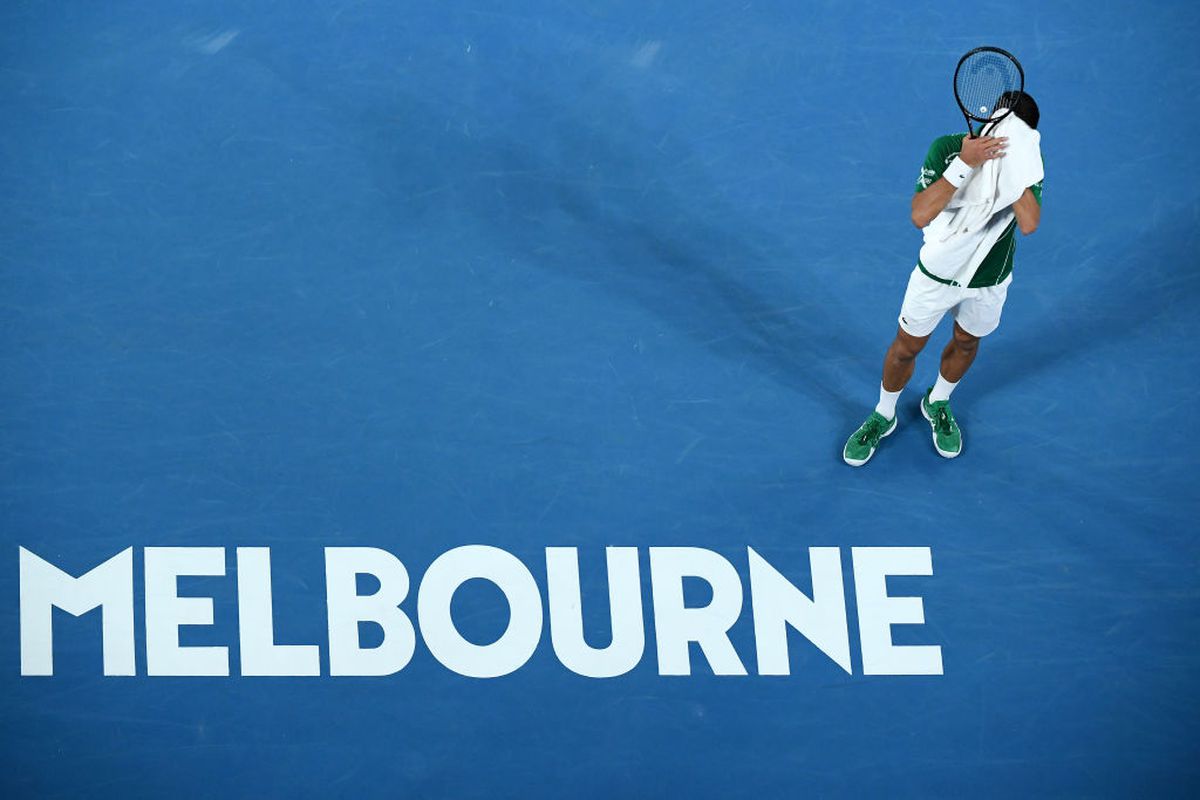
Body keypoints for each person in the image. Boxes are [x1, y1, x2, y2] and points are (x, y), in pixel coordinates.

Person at [843, 91, 1042, 466]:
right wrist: (965, 164)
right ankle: (883, 415)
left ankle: (938, 401)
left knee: (967, 342)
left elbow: (1029, 222)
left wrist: (1013, 164)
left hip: (988, 279)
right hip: (937, 274)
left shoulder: (1028, 162)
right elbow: (920, 214)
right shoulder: (948, 148)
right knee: (906, 347)